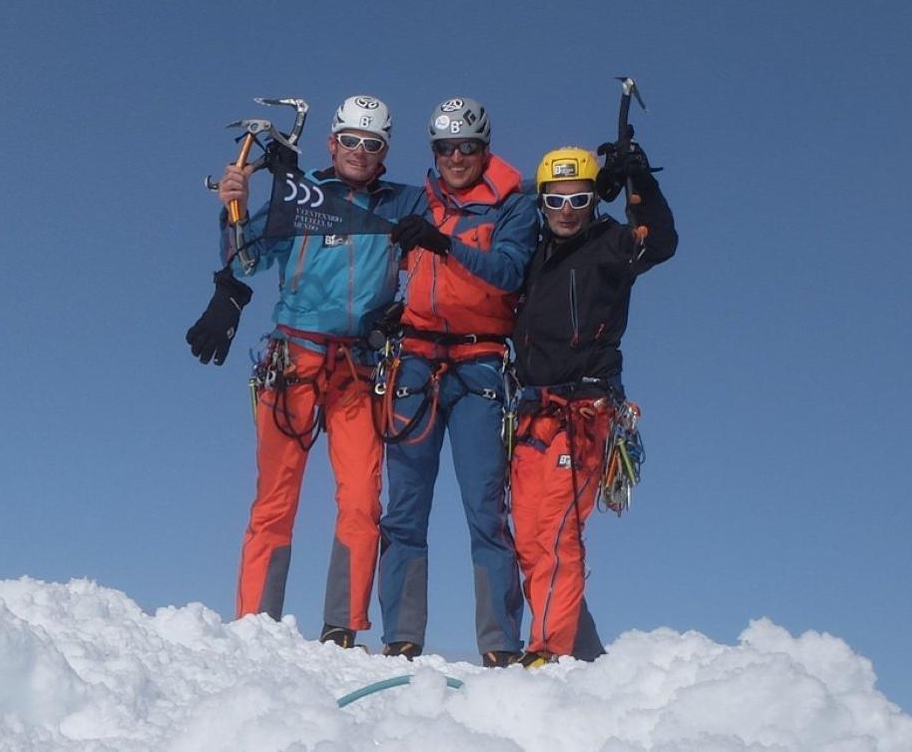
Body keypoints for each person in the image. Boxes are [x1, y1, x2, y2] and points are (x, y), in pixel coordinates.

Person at [185, 95, 425, 649]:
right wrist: (234, 207)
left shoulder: (404, 203)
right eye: (350, 140)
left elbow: (467, 210)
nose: (359, 152)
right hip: (294, 360)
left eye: (372, 144)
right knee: (276, 496)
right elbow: (246, 259)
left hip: (360, 367)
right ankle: (255, 625)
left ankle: (342, 627)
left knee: (363, 498)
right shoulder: (301, 196)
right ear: (331, 142)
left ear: (385, 150)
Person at [376, 97, 537, 666]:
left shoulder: (515, 207)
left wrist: (445, 244)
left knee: (485, 508)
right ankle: (400, 636)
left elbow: (509, 272)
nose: (456, 158)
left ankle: (499, 644)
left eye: (467, 147)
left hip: (480, 364)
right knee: (404, 507)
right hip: (416, 361)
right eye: (445, 148)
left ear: (485, 147)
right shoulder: (421, 200)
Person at [509, 144, 677, 666]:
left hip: (582, 410)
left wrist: (639, 182)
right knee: (529, 537)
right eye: (555, 199)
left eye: (578, 198)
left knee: (559, 531)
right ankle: (578, 649)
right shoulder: (532, 254)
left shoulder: (610, 245)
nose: (566, 210)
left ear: (592, 202)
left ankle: (550, 648)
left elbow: (662, 241)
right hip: (531, 412)